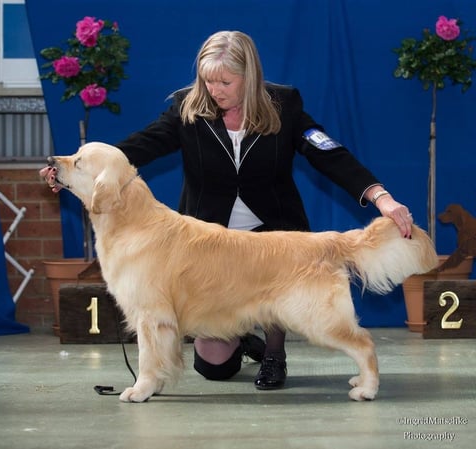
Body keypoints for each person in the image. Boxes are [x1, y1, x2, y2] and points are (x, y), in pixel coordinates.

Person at [41, 30, 413, 390]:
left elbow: (329, 154)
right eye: (208, 82)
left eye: (225, 82)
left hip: (274, 234)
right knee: (214, 366)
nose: (214, 91)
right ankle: (240, 334)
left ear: (249, 77)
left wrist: (382, 197)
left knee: (280, 291)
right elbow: (139, 148)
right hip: (210, 244)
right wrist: (75, 173)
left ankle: (273, 352)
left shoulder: (284, 104)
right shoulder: (188, 106)